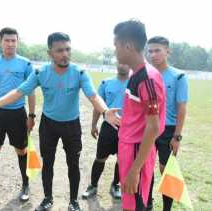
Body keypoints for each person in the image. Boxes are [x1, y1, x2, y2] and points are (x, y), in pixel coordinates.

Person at [0, 32, 120, 211]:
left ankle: (73, 201)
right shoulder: (40, 72)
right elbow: (20, 91)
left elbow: (93, 96)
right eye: (59, 50)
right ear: (50, 53)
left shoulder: (79, 72)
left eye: (68, 49)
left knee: (73, 164)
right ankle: (47, 198)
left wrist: (105, 111)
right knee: (48, 163)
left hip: (71, 125)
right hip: (49, 124)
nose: (65, 54)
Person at [113, 20, 166, 211]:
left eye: (116, 46)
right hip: (130, 146)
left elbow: (153, 127)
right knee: (130, 201)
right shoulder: (136, 74)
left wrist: (135, 169)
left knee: (135, 204)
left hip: (137, 149)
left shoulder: (147, 78)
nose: (115, 51)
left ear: (128, 46)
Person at [0, 27, 36, 202]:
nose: (10, 44)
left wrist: (31, 116)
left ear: (17, 42)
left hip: (17, 114)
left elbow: (31, 92)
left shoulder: (26, 64)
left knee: (21, 150)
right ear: (1, 41)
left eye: (13, 40)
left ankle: (26, 184)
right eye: (7, 40)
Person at [146, 36, 189, 211]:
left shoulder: (178, 76)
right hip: (148, 128)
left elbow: (182, 108)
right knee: (146, 169)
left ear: (167, 51)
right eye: (150, 51)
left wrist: (177, 136)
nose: (153, 54)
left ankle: (166, 208)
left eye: (157, 50)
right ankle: (147, 204)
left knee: (167, 172)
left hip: (168, 130)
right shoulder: (145, 74)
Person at [82, 64, 130, 200]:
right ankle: (93, 185)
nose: (122, 65)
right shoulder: (106, 83)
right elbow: (98, 106)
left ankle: (115, 185)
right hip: (108, 127)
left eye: (125, 62)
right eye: (120, 62)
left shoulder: (135, 83)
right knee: (100, 157)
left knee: (122, 160)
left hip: (127, 129)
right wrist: (93, 125)